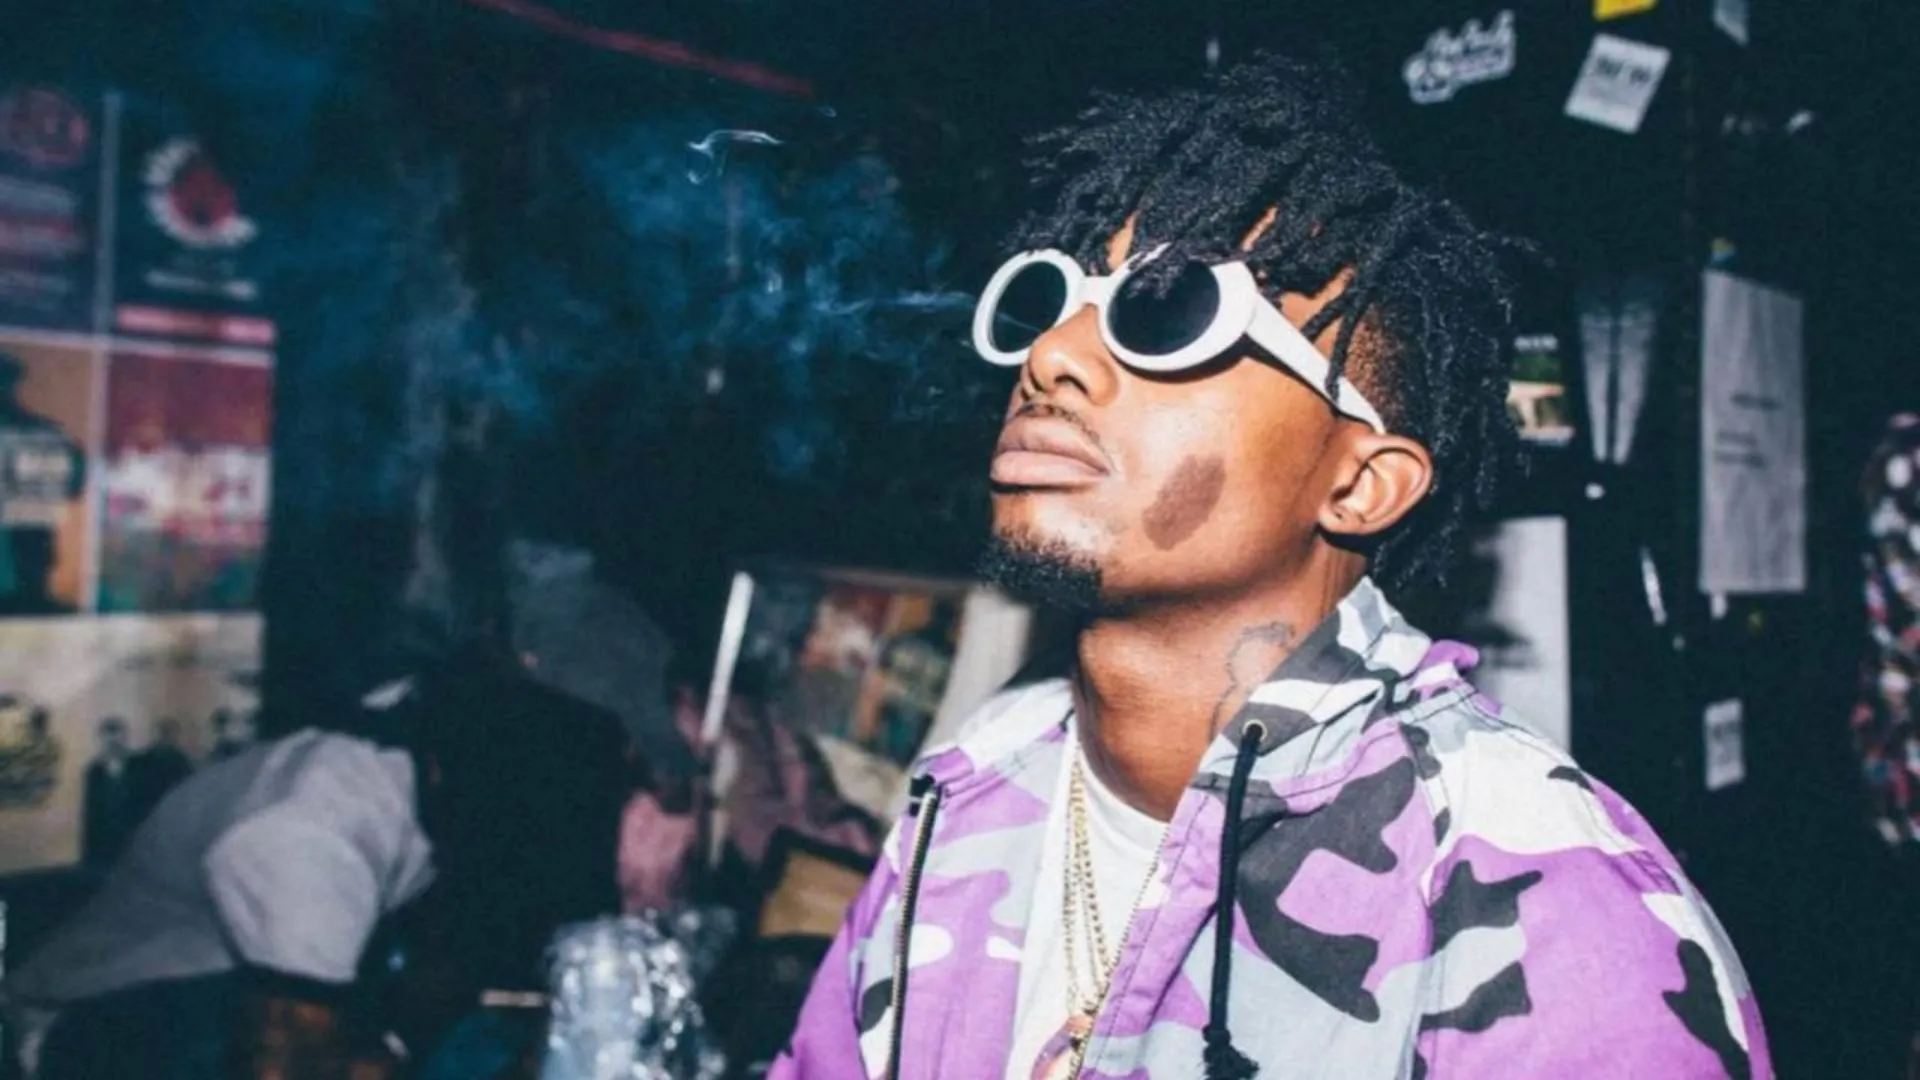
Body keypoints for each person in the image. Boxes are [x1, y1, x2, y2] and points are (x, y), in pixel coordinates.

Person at [775, 53, 1769, 1080]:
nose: (1054, 354)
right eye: (1053, 299)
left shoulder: (1558, 919)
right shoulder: (976, 778)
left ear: (1361, 484)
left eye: (1169, 311)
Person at [81, 716, 136, 867]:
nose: (113, 746)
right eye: (109, 743)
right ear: (102, 742)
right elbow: (90, 811)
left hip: (131, 835)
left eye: (117, 742)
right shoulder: (94, 771)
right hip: (104, 838)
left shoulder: (138, 767)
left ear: (124, 740)